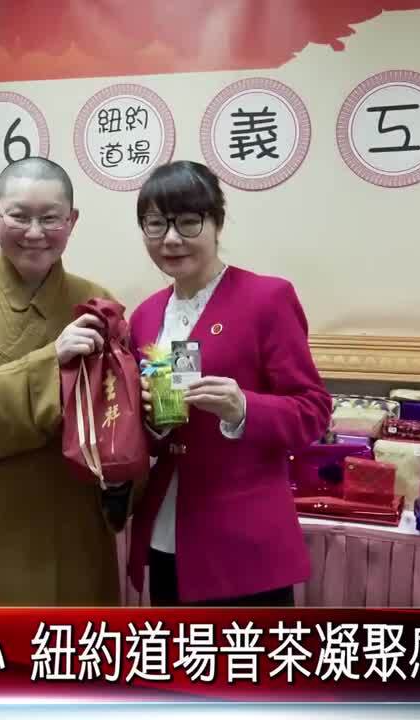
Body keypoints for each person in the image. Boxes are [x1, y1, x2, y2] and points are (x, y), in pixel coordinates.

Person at [0, 157, 128, 605]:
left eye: (50, 218)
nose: (35, 232)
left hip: (70, 511)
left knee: (72, 639)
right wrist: (52, 359)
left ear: (72, 221)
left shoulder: (97, 302)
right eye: (19, 216)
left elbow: (115, 415)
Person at [128, 160, 332, 606]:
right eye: (156, 224)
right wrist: (152, 421)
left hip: (243, 541)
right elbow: (148, 429)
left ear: (217, 223)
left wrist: (243, 409)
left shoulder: (266, 299)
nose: (171, 238)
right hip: (168, 528)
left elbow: (314, 410)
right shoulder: (144, 316)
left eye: (188, 221)